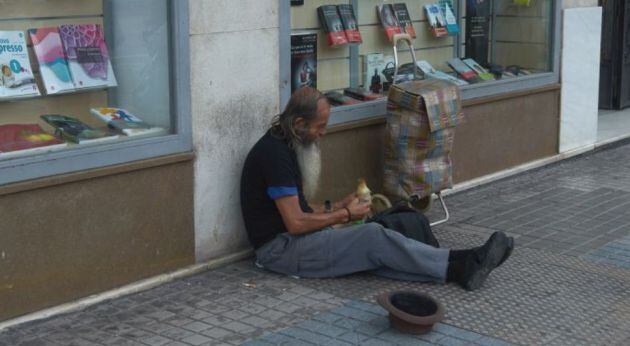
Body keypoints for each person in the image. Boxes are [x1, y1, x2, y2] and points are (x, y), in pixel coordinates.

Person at [240, 87, 513, 291]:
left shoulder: (287, 144)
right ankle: (466, 261)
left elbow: (300, 207)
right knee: (372, 237)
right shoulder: (273, 155)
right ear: (299, 124)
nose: (323, 133)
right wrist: (345, 215)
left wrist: (336, 205)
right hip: (278, 251)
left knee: (376, 253)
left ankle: (461, 267)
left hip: (292, 242)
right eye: (320, 127)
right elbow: (296, 222)